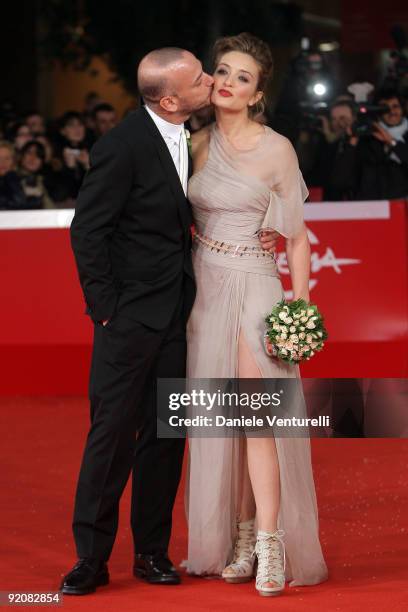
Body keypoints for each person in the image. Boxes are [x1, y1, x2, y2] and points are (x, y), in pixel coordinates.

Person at [60, 47, 216, 596]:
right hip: (127, 320)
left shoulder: (198, 141)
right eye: (201, 78)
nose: (211, 81)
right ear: (170, 98)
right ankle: (90, 558)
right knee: (111, 438)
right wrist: (107, 309)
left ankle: (152, 552)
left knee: (165, 436)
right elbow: (88, 231)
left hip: (177, 314)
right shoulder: (121, 146)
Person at [185, 33, 328, 596]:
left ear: (258, 92)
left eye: (242, 76)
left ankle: (272, 543)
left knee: (257, 417)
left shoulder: (277, 149)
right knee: (223, 420)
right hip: (204, 287)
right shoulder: (194, 145)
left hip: (255, 285)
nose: (228, 82)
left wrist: (301, 305)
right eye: (222, 70)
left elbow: (297, 238)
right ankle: (241, 539)